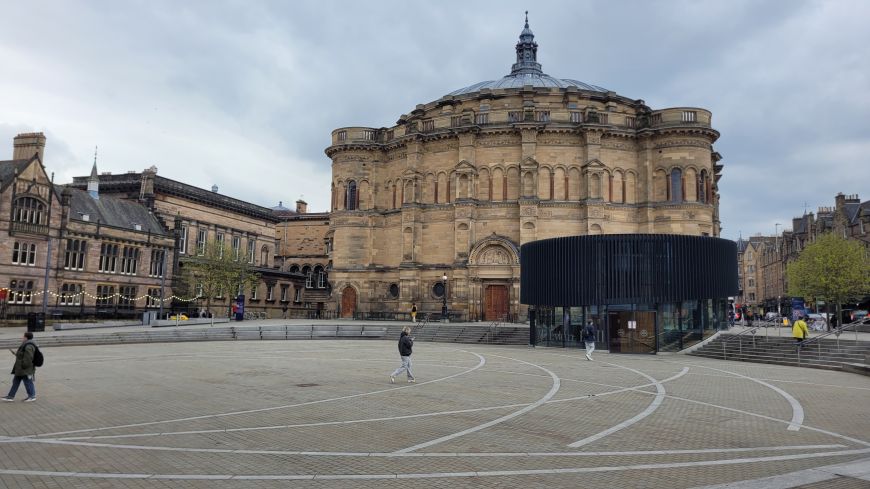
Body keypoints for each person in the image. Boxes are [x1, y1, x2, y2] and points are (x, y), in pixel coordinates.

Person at [3, 332, 37, 402]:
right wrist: (15, 353)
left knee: (27, 382)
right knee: (15, 381)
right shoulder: (26, 344)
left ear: (26, 337)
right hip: (20, 369)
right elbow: (23, 355)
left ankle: (32, 396)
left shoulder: (28, 346)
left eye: (23, 336)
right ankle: (10, 396)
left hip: (24, 369)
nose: (22, 337)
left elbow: (28, 358)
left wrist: (24, 366)